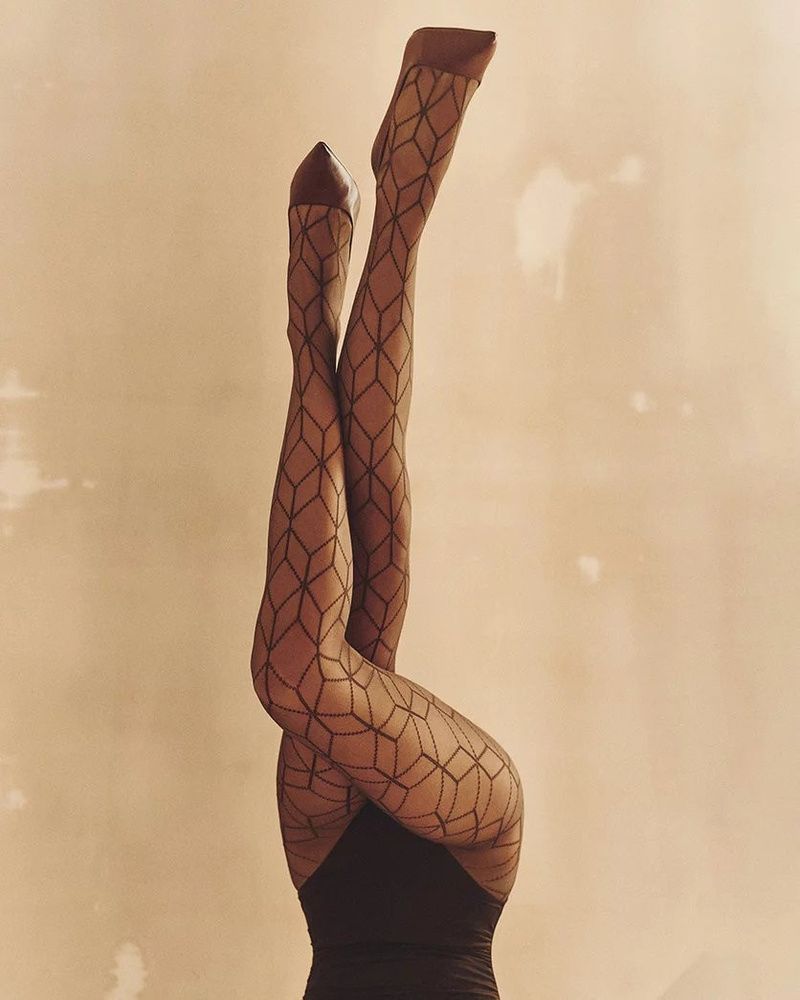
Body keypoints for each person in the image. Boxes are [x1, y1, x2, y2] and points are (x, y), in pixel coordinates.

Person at [250, 27, 524, 999]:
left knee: (360, 628)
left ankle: (322, 306)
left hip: (330, 860)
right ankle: (368, 236)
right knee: (309, 665)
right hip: (466, 852)